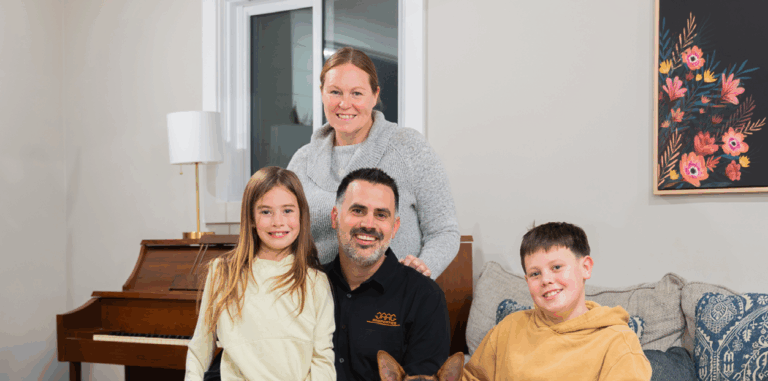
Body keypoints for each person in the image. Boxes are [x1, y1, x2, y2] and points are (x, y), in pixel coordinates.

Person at [287, 46, 459, 279]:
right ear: (322, 93)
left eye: (356, 93)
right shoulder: (301, 161)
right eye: (335, 92)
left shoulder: (409, 147)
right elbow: (289, 235)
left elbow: (444, 231)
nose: (344, 104)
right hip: (320, 299)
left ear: (375, 95)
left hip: (393, 296)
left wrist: (418, 276)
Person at [184, 167, 336, 381]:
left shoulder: (316, 282)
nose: (278, 222)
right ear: (252, 218)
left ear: (301, 214)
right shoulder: (223, 272)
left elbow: (322, 359)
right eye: (266, 211)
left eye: (288, 210)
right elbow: (201, 346)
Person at [462, 222, 652, 381]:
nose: (546, 280)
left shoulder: (617, 341)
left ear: (585, 267)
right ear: (527, 281)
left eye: (557, 267)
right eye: (535, 274)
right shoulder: (508, 328)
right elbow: (471, 377)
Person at [325, 168, 451, 380]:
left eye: (381, 215)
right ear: (335, 218)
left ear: (394, 227)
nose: (368, 224)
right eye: (358, 210)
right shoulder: (309, 284)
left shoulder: (424, 298)